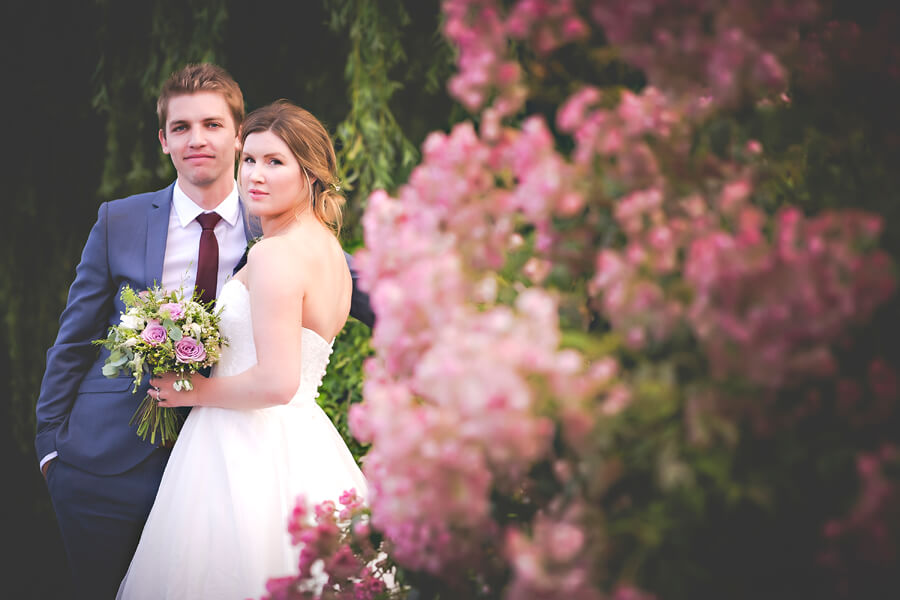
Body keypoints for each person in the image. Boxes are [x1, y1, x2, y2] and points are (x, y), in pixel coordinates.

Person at [35, 65, 374, 599]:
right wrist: (50, 445)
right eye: (181, 127)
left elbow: (356, 291)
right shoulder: (119, 220)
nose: (198, 139)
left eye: (213, 124)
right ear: (164, 140)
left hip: (235, 463)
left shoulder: (274, 228)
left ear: (236, 136)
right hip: (103, 467)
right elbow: (75, 336)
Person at [116, 100, 369, 599]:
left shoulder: (275, 254)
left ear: (310, 173)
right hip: (302, 440)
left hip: (244, 446)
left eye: (275, 162)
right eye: (249, 159)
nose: (255, 174)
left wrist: (189, 388)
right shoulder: (328, 252)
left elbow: (278, 382)